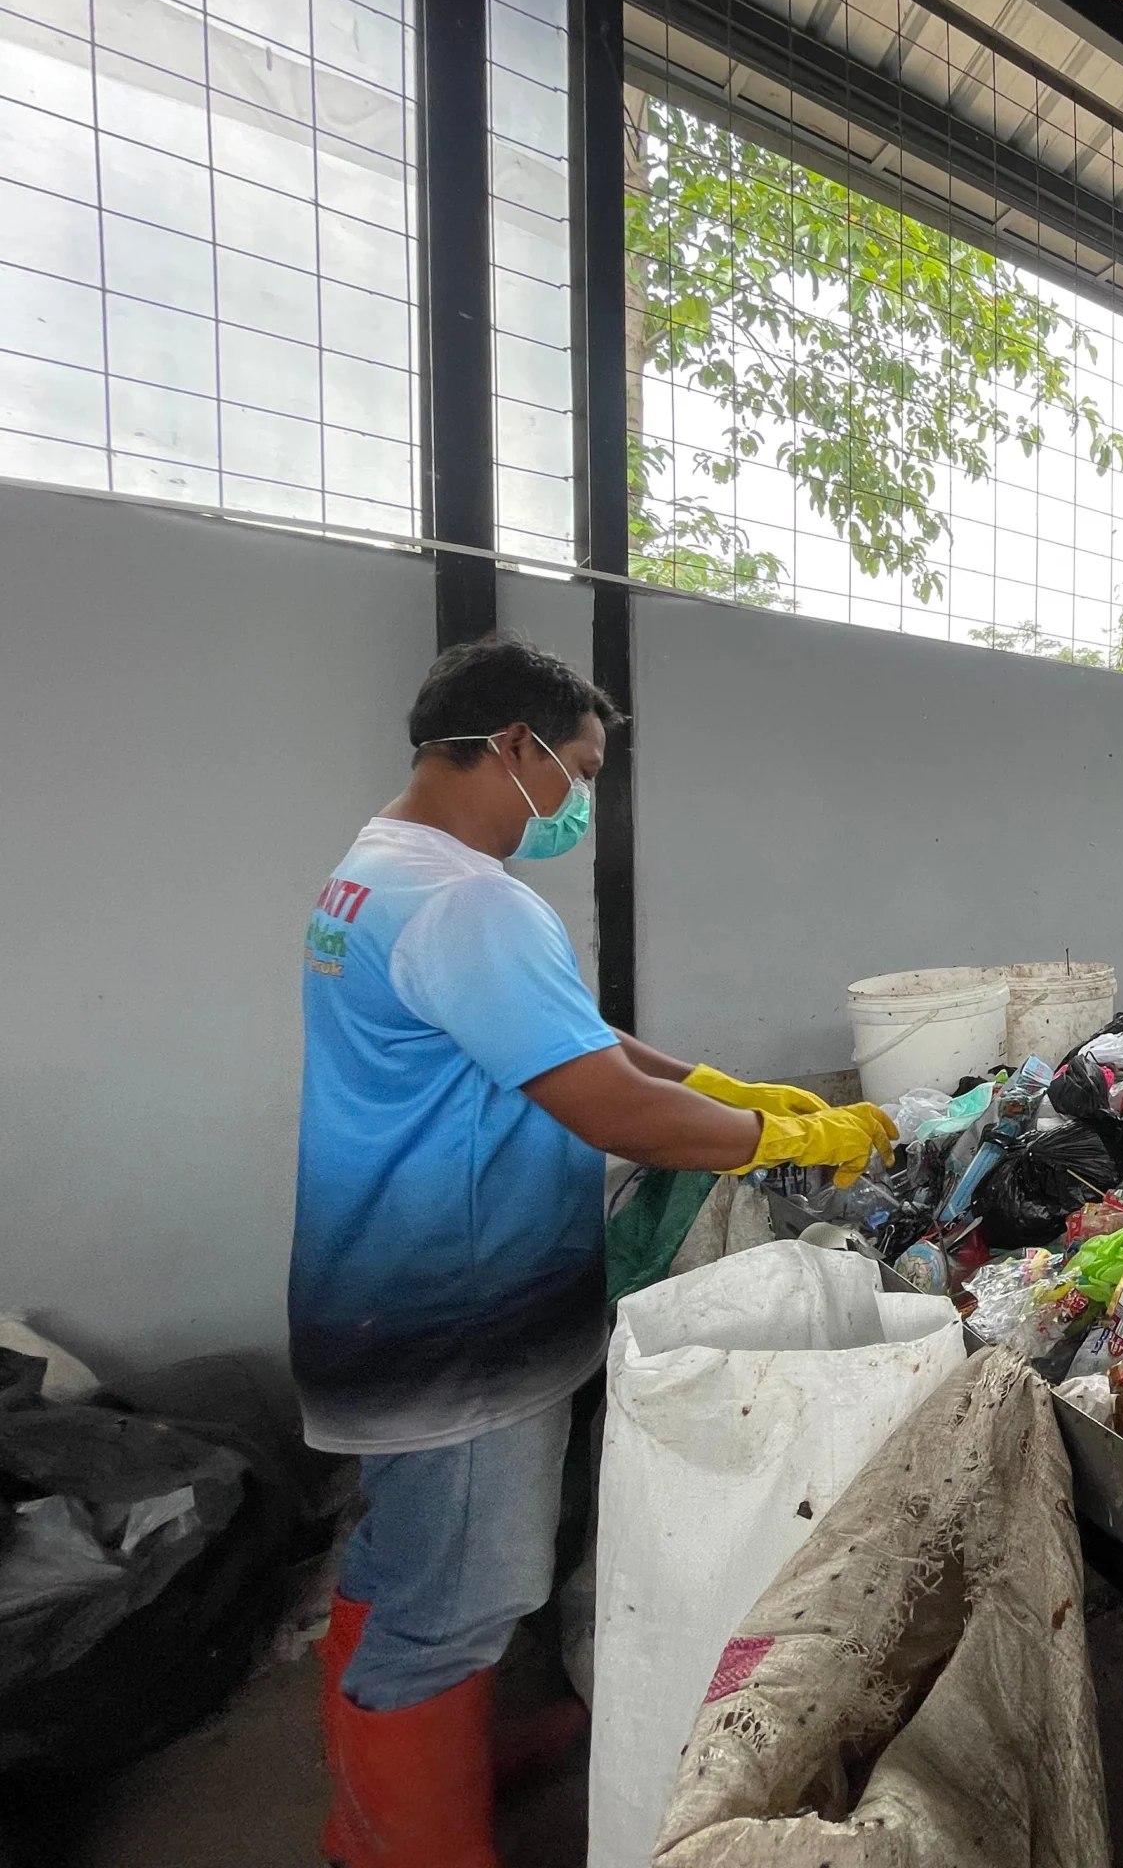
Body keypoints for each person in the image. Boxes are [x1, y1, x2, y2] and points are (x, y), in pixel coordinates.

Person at [293, 635, 892, 1868]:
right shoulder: (467, 899)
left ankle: (416, 1756)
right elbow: (609, 1107)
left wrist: (722, 1084)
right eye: (576, 767)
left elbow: (584, 1038)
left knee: (404, 1554)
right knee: (462, 1596)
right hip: (455, 1315)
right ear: (510, 746)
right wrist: (785, 1135)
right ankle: (407, 1834)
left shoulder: (379, 869)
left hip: (374, 1290)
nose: (580, 799)